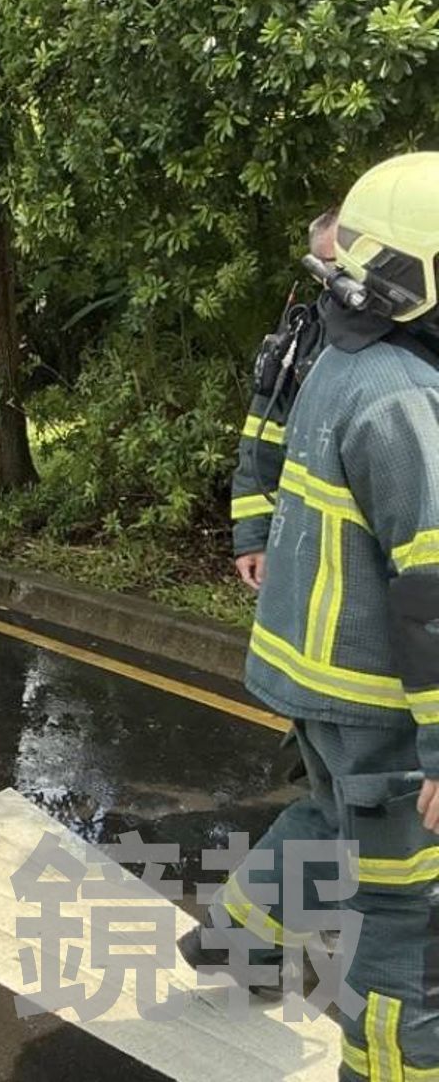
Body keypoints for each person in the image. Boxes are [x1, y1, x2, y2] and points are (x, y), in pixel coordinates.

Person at [183, 153, 439, 1079]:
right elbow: (431, 591)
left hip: (318, 673)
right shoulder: (404, 392)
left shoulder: (346, 359)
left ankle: (235, 941)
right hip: (375, 691)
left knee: (331, 819)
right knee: (409, 913)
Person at [230, 207, 339, 592]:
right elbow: (261, 446)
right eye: (329, 265)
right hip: (311, 546)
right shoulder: (299, 344)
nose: (339, 276)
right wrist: (253, 538)